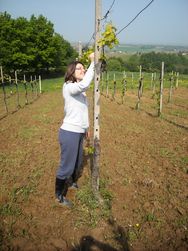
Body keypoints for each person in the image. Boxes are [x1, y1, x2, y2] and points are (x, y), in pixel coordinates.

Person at [55, 52, 95, 207]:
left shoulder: (80, 92)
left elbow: (83, 111)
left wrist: (86, 128)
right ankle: (59, 195)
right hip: (69, 132)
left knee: (78, 161)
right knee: (67, 165)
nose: (83, 71)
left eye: (84, 69)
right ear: (71, 71)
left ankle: (70, 182)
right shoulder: (69, 87)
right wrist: (92, 62)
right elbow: (84, 84)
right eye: (79, 69)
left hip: (79, 132)